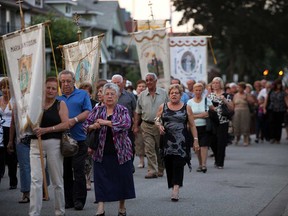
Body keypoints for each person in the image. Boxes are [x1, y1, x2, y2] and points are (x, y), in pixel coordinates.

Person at [83, 83, 135, 216]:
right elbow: (85, 125)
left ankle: (122, 207)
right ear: (103, 96)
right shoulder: (97, 110)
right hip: (101, 151)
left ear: (117, 96)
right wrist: (93, 126)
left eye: (112, 94)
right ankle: (100, 207)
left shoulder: (122, 110)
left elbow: (126, 124)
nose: (110, 96)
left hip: (121, 151)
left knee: (122, 179)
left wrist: (106, 122)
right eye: (107, 94)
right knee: (101, 180)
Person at [29, 77, 69, 216]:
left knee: (57, 180)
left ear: (56, 90)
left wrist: (47, 130)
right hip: (35, 143)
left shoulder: (60, 104)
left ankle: (60, 211)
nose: (50, 91)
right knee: (35, 180)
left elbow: (66, 124)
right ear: (43, 88)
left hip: (54, 144)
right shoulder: (35, 103)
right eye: (48, 87)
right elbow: (25, 120)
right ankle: (34, 213)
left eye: (53, 88)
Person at [155, 84, 199, 201]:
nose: (174, 95)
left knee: (178, 164)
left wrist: (195, 140)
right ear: (169, 95)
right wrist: (159, 126)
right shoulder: (162, 107)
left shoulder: (186, 107)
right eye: (172, 93)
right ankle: (173, 184)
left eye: (176, 93)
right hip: (167, 141)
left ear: (181, 95)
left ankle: (176, 189)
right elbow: (157, 120)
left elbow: (193, 125)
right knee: (169, 164)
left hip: (181, 142)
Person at [57, 70, 92, 210]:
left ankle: (79, 200)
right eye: (63, 81)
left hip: (79, 139)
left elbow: (88, 111)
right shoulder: (57, 98)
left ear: (73, 82)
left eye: (68, 81)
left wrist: (74, 120)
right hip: (62, 140)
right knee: (65, 172)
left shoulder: (82, 94)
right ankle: (68, 200)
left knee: (78, 171)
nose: (66, 84)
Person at [133, 72, 168, 179]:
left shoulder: (164, 93)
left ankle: (161, 168)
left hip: (160, 125)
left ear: (155, 81)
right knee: (149, 148)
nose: (148, 82)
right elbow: (138, 112)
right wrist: (135, 126)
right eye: (146, 80)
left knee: (159, 148)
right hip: (146, 125)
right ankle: (152, 170)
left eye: (150, 80)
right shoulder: (142, 95)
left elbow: (169, 109)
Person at [111, 75, 136, 172]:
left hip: (127, 127)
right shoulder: (109, 95)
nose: (116, 85)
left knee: (130, 146)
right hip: (113, 126)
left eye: (118, 82)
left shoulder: (130, 96)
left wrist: (135, 124)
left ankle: (130, 164)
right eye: (114, 83)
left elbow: (135, 110)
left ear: (123, 83)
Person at [208, 77, 234, 169]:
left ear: (221, 84)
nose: (215, 85)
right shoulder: (209, 95)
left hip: (223, 121)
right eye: (213, 83)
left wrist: (225, 100)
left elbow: (231, 108)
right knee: (213, 141)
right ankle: (216, 158)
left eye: (217, 83)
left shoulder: (226, 95)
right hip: (212, 120)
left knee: (221, 142)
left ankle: (220, 162)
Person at [187, 83, 212, 173]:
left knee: (204, 145)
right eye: (196, 90)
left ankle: (204, 164)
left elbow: (210, 113)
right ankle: (200, 163)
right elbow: (189, 116)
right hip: (193, 127)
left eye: (200, 90)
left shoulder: (206, 100)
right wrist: (201, 115)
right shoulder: (189, 102)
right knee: (196, 146)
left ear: (202, 91)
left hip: (205, 126)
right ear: (193, 91)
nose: (198, 92)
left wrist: (194, 116)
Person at [0, 78, 18, 189]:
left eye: (7, 87)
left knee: (11, 155)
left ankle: (13, 179)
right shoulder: (0, 99)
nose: (5, 90)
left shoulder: (15, 101)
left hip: (11, 129)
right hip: (1, 129)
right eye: (3, 87)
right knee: (1, 154)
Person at [264, 79, 288, 144]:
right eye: (277, 84)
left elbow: (286, 100)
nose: (279, 86)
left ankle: (277, 138)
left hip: (280, 109)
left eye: (280, 84)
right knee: (271, 123)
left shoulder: (283, 92)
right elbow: (266, 100)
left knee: (278, 124)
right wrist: (264, 108)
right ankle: (272, 137)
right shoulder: (271, 92)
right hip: (272, 109)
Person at [134, 80, 146, 168]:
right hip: (137, 123)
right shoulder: (133, 97)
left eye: (143, 86)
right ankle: (141, 161)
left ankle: (151, 161)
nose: (141, 88)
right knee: (139, 142)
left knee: (149, 143)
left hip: (147, 122)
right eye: (139, 86)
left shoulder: (147, 96)